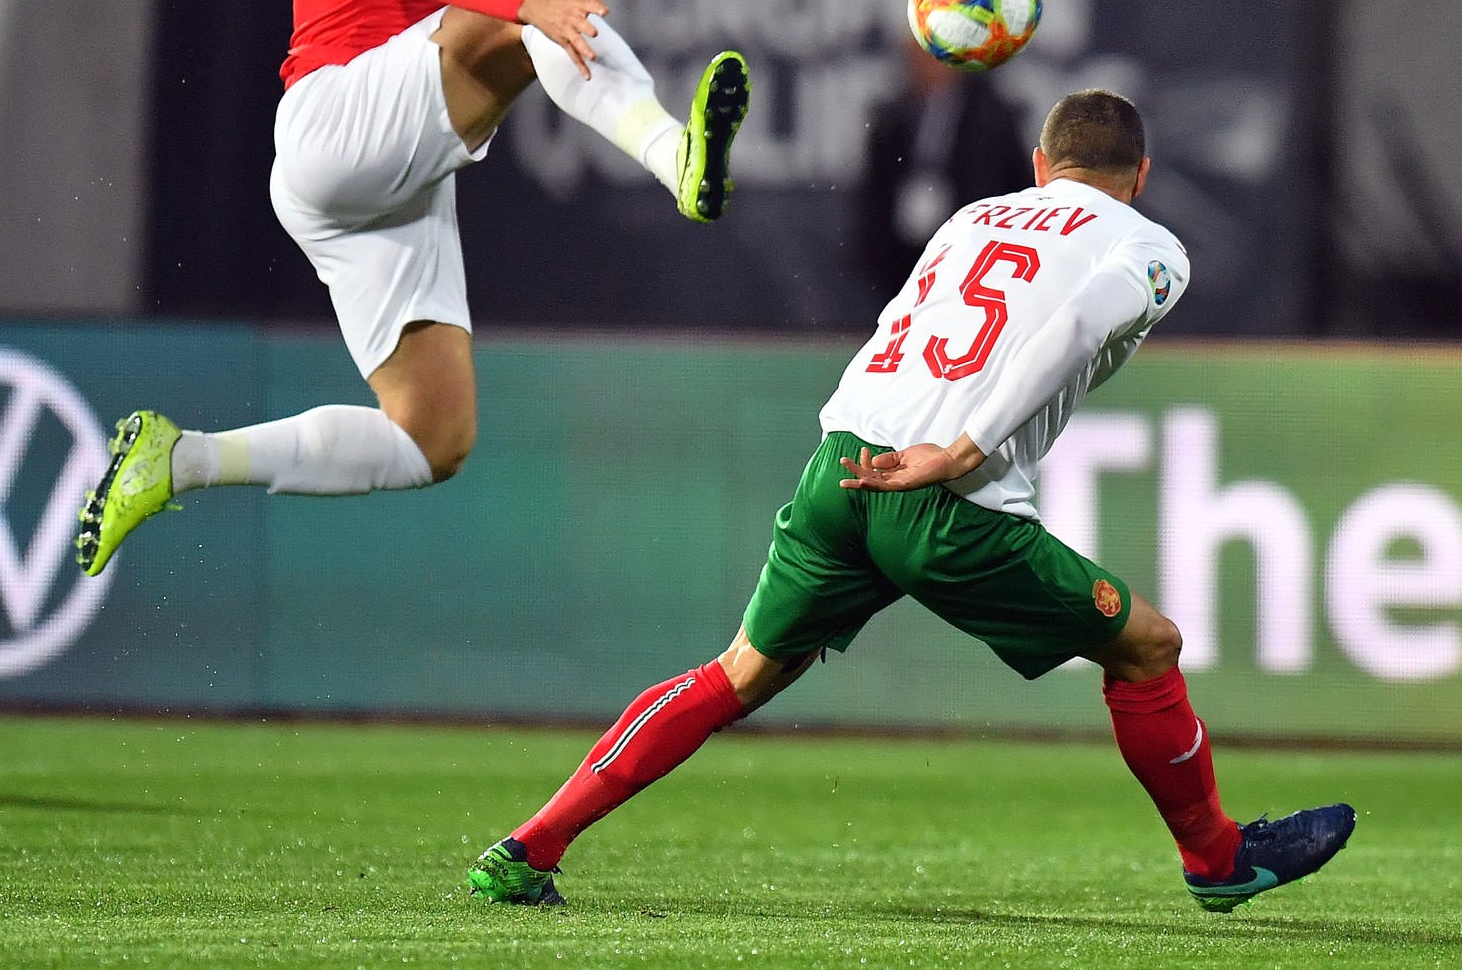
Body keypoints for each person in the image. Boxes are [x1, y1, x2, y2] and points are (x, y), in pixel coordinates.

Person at [466, 90, 1355, 913]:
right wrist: (966, 448)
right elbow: (1079, 322)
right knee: (1148, 647)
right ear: (1142, 177)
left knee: (736, 672)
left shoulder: (973, 216)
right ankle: (1216, 859)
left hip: (841, 465)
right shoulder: (1148, 242)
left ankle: (529, 848)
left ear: (1041, 167)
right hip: (946, 493)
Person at [75, 0, 750, 576]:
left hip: (377, 182)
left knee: (432, 439)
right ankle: (678, 160)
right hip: (334, 124)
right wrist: (527, 8)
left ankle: (179, 458)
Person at [857, 36, 1035, 301]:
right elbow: (873, 196)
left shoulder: (992, 116)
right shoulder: (891, 119)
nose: (923, 66)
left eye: (932, 57)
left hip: (973, 256)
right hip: (902, 263)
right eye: (916, 58)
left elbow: (1014, 185)